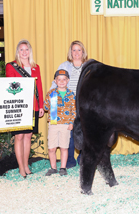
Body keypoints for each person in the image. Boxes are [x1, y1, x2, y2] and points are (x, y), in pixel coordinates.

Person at [5, 39, 44, 178]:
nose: (24, 52)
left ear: (30, 51)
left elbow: (39, 88)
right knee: (19, 137)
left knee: (28, 136)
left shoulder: (35, 67)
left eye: (26, 49)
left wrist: (41, 106)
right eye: (21, 49)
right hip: (19, 106)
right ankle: (20, 167)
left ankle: (26, 164)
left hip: (33, 106)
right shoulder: (12, 66)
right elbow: (11, 86)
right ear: (18, 51)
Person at [50, 40, 88, 168]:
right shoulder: (64, 65)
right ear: (70, 53)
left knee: (84, 131)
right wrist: (51, 98)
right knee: (69, 132)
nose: (76, 52)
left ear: (83, 52)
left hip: (84, 103)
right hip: (67, 103)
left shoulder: (87, 66)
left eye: (79, 50)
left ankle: (83, 157)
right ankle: (69, 160)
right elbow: (56, 82)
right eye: (74, 50)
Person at [44, 69, 76, 176]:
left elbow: (74, 110)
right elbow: (45, 107)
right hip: (53, 123)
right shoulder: (51, 93)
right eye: (59, 79)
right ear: (55, 81)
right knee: (51, 148)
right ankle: (53, 168)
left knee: (64, 147)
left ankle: (63, 167)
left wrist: (72, 122)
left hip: (66, 125)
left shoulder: (71, 94)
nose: (62, 81)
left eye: (64, 79)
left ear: (68, 80)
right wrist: (46, 100)